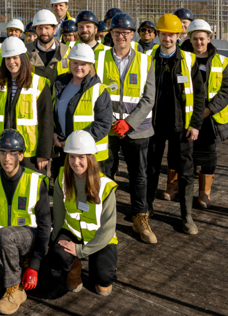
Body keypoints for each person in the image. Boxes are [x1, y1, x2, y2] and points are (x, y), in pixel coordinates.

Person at [95, 13, 158, 244]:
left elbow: (149, 98)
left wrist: (128, 122)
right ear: (110, 34)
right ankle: (104, 216)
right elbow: (94, 92)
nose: (121, 36)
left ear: (133, 35)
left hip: (137, 129)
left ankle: (140, 216)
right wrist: (111, 120)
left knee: (138, 176)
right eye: (117, 32)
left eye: (126, 32)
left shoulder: (145, 61)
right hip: (107, 128)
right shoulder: (99, 57)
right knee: (105, 174)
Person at [0, 129, 51, 315]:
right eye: (2, 152)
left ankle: (15, 289)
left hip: (29, 239)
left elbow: (44, 227)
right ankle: (13, 267)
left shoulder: (35, 181)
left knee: (6, 234)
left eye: (12, 153)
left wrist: (35, 264)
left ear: (21, 155)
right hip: (3, 241)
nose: (6, 158)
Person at [146, 14, 205, 235]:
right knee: (151, 167)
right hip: (154, 124)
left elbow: (199, 96)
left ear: (178, 36)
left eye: (172, 35)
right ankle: (147, 207)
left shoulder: (189, 61)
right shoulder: (149, 58)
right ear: (157, 35)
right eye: (163, 34)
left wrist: (196, 124)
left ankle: (186, 216)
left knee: (186, 170)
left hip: (181, 127)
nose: (167, 38)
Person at [49, 130, 119, 297]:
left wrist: (81, 251)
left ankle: (96, 265)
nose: (76, 162)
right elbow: (58, 214)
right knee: (57, 255)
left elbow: (108, 229)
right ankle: (74, 268)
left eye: (81, 157)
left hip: (99, 238)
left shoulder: (105, 186)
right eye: (72, 156)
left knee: (104, 279)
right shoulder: (62, 179)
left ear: (90, 158)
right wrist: (55, 245)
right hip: (72, 232)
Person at [0, 37, 53, 172]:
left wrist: (43, 154)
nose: (11, 62)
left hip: (28, 153)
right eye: (7, 58)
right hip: (0, 150)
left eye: (15, 58)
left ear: (23, 58)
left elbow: (47, 121)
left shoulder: (39, 83)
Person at [180, 19, 228, 209]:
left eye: (202, 39)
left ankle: (204, 193)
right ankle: (176, 186)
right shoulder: (182, 58)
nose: (198, 42)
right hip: (185, 114)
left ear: (210, 38)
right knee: (183, 151)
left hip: (210, 116)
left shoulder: (222, 61)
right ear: (189, 39)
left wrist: (207, 111)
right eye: (195, 39)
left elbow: (226, 91)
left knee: (208, 153)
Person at [52, 44, 112, 180]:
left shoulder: (99, 90)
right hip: (65, 152)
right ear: (69, 63)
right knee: (67, 193)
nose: (78, 67)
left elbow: (103, 124)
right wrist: (53, 133)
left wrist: (75, 142)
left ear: (91, 65)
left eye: (83, 64)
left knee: (91, 194)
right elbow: (52, 114)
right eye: (75, 63)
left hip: (91, 156)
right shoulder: (59, 84)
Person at [26, 9, 71, 84]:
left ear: (54, 30)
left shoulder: (67, 51)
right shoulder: (25, 51)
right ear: (35, 30)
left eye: (47, 28)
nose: (43, 32)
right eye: (40, 28)